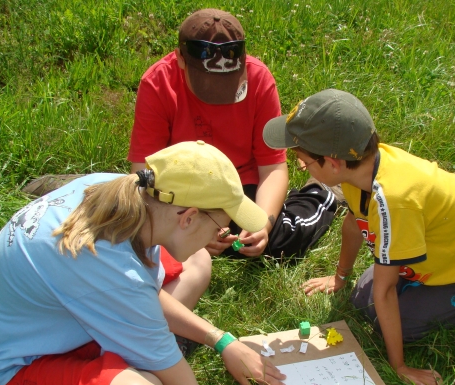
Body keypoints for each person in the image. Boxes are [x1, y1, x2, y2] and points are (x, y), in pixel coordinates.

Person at [0, 141, 353, 385]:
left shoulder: (122, 191)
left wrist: (221, 340)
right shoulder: (110, 273)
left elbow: (137, 291)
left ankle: (146, 351)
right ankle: (145, 358)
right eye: (219, 226)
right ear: (188, 217)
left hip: (48, 317)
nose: (221, 236)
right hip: (0, 373)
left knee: (197, 263)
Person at [263, 89, 455, 385]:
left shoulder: (394, 202)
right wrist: (341, 276)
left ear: (332, 163)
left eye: (303, 162)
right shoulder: (360, 170)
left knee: (392, 322)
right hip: (438, 236)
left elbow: (384, 291)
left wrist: (399, 367)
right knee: (362, 301)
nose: (301, 166)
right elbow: (353, 224)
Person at [127, 8, 337, 272]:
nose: (217, 96)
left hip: (238, 186)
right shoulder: (158, 83)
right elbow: (144, 172)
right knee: (146, 234)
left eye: (228, 84)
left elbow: (272, 166)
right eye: (206, 85)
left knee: (277, 242)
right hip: (183, 188)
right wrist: (194, 236)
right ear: (180, 58)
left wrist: (264, 225)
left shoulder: (259, 79)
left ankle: (320, 192)